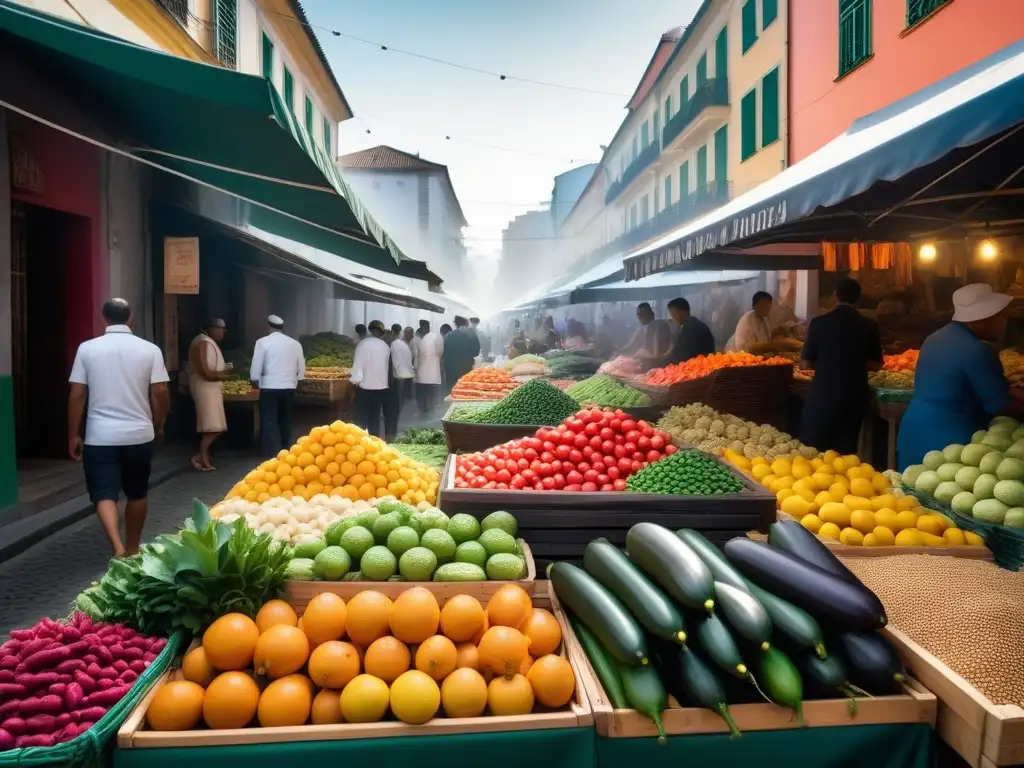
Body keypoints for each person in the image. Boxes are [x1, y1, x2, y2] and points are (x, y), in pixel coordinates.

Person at [68, 298, 170, 557]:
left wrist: (73, 433)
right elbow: (159, 391)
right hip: (139, 434)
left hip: (99, 436)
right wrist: (159, 424)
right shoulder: (150, 350)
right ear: (131, 317)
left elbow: (77, 394)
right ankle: (133, 548)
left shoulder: (87, 349)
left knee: (104, 494)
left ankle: (117, 546)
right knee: (137, 493)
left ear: (104, 318)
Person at [898, 284, 1012, 469]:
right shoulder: (977, 350)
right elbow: (999, 404)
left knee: (911, 494)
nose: (1005, 322)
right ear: (982, 319)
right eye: (1001, 316)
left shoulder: (933, 338)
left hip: (914, 430)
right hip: (948, 442)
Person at [799, 279, 883, 454]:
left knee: (814, 453)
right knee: (845, 455)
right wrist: (854, 360)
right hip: (853, 399)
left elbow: (806, 363)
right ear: (857, 299)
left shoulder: (818, 323)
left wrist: (828, 360)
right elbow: (876, 365)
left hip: (823, 396)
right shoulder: (869, 325)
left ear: (835, 295)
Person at [250, 315, 305, 457]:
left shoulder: (262, 342)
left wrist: (254, 379)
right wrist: (298, 380)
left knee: (269, 420)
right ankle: (286, 449)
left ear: (269, 326)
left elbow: (257, 365)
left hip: (269, 387)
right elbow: (301, 366)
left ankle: (273, 452)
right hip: (289, 386)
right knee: (285, 418)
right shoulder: (295, 344)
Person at [187, 318, 231, 472]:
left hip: (212, 388)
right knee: (213, 426)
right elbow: (206, 372)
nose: (223, 332)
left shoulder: (206, 341)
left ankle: (200, 456)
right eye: (221, 328)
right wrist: (225, 376)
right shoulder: (203, 342)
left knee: (216, 425)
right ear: (211, 328)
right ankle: (202, 457)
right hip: (206, 388)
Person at [351, 320, 392, 438]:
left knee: (361, 418)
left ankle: (360, 442)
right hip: (381, 388)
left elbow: (358, 367)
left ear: (370, 330)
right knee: (375, 418)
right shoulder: (385, 346)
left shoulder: (363, 344)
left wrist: (354, 381)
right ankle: (375, 442)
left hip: (364, 388)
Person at [663, 298, 715, 364]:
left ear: (683, 312)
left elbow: (679, 355)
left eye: (673, 314)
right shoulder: (695, 324)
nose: (672, 318)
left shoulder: (690, 327)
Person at [444, 316, 480, 394]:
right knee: (464, 394)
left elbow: (444, 353)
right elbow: (476, 352)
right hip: (465, 371)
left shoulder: (448, 336)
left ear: (455, 323)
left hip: (450, 372)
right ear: (466, 323)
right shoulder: (471, 334)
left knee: (451, 394)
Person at [415, 320, 444, 413]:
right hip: (432, 371)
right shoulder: (436, 337)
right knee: (430, 392)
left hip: (422, 371)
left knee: (424, 391)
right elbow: (440, 353)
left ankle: (424, 409)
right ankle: (430, 409)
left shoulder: (422, 339)